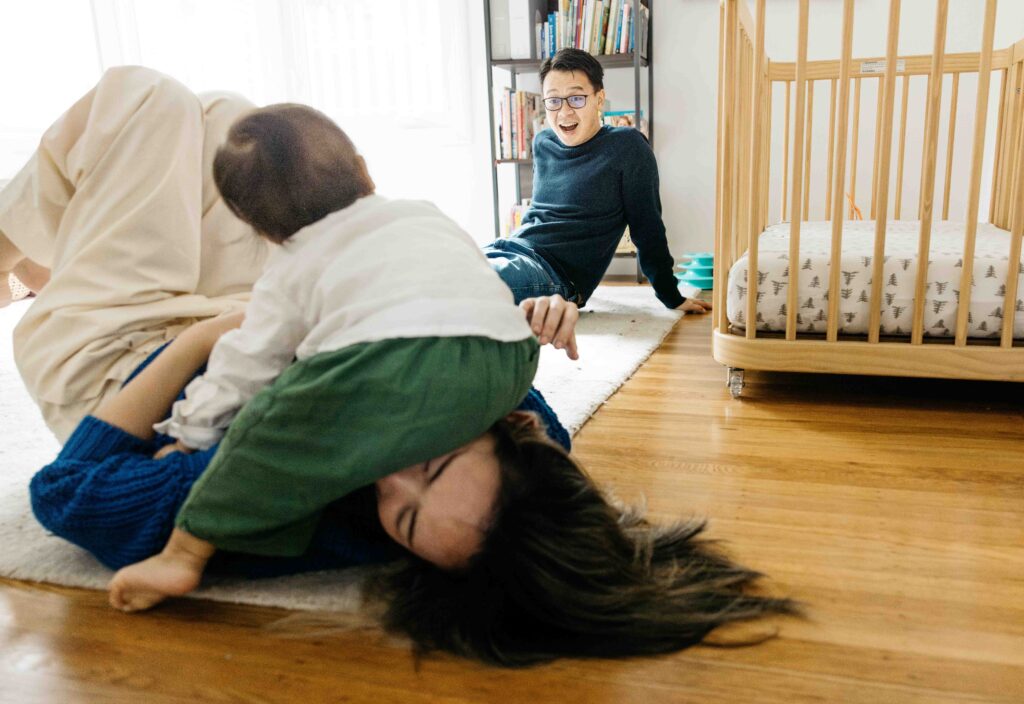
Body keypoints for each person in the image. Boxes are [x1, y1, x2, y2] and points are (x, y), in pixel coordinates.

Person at [7, 66, 794, 666]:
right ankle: (60, 262)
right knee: (235, 128)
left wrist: (205, 338)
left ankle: (32, 266)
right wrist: (508, 322)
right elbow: (525, 413)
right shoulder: (497, 430)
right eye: (437, 455)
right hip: (261, 327)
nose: (392, 476)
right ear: (508, 435)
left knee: (146, 101)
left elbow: (67, 497)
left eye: (406, 517)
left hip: (127, 364)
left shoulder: (282, 487)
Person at [482, 48, 713, 316]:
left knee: (462, 285)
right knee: (442, 265)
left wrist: (671, 296)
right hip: (510, 248)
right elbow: (539, 216)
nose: (564, 112)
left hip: (553, 275)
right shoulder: (542, 142)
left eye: (576, 99)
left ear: (599, 98)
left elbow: (648, 228)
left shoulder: (628, 147)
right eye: (553, 101)